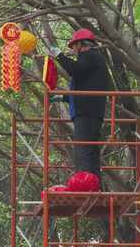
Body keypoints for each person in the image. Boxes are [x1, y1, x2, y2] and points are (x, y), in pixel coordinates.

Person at [48, 28, 109, 183]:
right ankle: (94, 184)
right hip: (90, 110)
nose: (73, 50)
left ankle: (85, 184)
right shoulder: (93, 60)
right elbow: (85, 87)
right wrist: (63, 97)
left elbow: (75, 70)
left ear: (82, 44)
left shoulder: (89, 56)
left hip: (87, 112)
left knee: (84, 150)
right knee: (90, 150)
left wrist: (59, 56)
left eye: (74, 46)